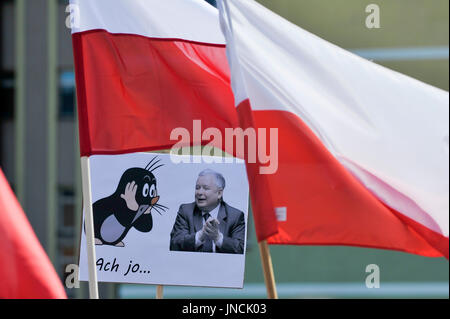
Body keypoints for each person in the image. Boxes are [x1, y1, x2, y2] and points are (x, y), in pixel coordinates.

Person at [170, 169, 245, 254]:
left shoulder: (235, 216)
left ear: (219, 193)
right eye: (197, 188)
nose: (199, 192)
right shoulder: (186, 211)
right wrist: (200, 236)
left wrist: (217, 237)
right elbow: (174, 244)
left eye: (206, 188)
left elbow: (241, 249)